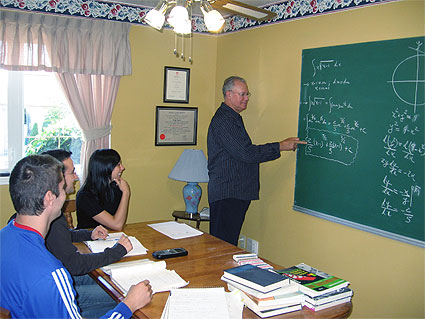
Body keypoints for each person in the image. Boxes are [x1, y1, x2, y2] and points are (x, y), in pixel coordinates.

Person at [0, 154, 152, 318]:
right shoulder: (52, 275)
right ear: (50, 198)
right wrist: (128, 305)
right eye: (62, 186)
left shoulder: (6, 234)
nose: (66, 192)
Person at [207, 76, 307, 246]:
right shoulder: (224, 120)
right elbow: (247, 154)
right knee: (221, 248)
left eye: (248, 94)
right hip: (228, 194)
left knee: (224, 246)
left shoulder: (232, 117)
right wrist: (280, 146)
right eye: (242, 94)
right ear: (228, 94)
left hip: (234, 193)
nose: (246, 98)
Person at [42, 149, 132, 318]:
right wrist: (117, 252)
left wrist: (87, 234)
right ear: (56, 178)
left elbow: (63, 235)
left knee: (119, 283)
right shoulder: (55, 212)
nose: (76, 177)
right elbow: (75, 264)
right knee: (122, 294)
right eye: (72, 172)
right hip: (57, 285)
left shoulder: (46, 214)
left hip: (62, 273)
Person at [76, 148, 130, 230]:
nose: (122, 168)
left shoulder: (115, 187)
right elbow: (117, 225)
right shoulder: (85, 196)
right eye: (118, 164)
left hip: (111, 236)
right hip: (89, 240)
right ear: (105, 167)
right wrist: (126, 193)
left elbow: (119, 223)